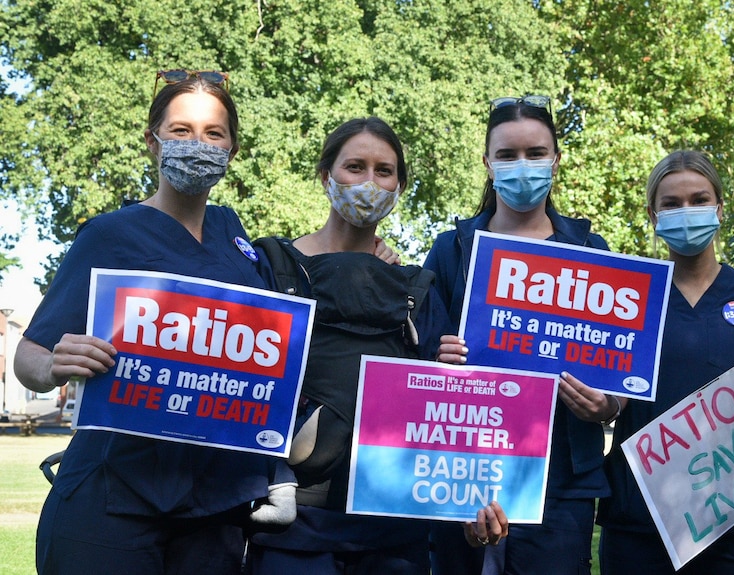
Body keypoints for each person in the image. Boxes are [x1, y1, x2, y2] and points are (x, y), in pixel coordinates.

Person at [13, 71, 279, 574]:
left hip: (214, 509)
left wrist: (375, 256)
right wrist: (53, 365)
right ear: (152, 142)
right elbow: (28, 355)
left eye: (213, 133)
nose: (197, 144)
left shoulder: (238, 240)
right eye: (180, 130)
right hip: (112, 500)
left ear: (232, 148)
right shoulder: (109, 235)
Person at [246, 116, 509, 575]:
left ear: (400, 186)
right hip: (295, 528)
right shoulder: (272, 268)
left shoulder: (417, 291)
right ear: (326, 176)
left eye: (384, 171)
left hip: (392, 532)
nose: (369, 182)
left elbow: (447, 415)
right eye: (355, 167)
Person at [425, 95, 619, 575]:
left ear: (556, 160)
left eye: (535, 153)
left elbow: (619, 368)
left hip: (562, 478)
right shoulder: (450, 250)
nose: (523, 166)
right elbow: (417, 356)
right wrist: (436, 354)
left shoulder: (591, 251)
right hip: (463, 470)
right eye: (507, 155)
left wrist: (608, 406)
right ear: (488, 164)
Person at [596, 150, 734, 575]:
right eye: (672, 204)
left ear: (719, 209)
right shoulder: (628, 296)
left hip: (730, 519)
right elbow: (612, 395)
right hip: (637, 521)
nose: (686, 212)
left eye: (699, 199)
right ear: (653, 214)